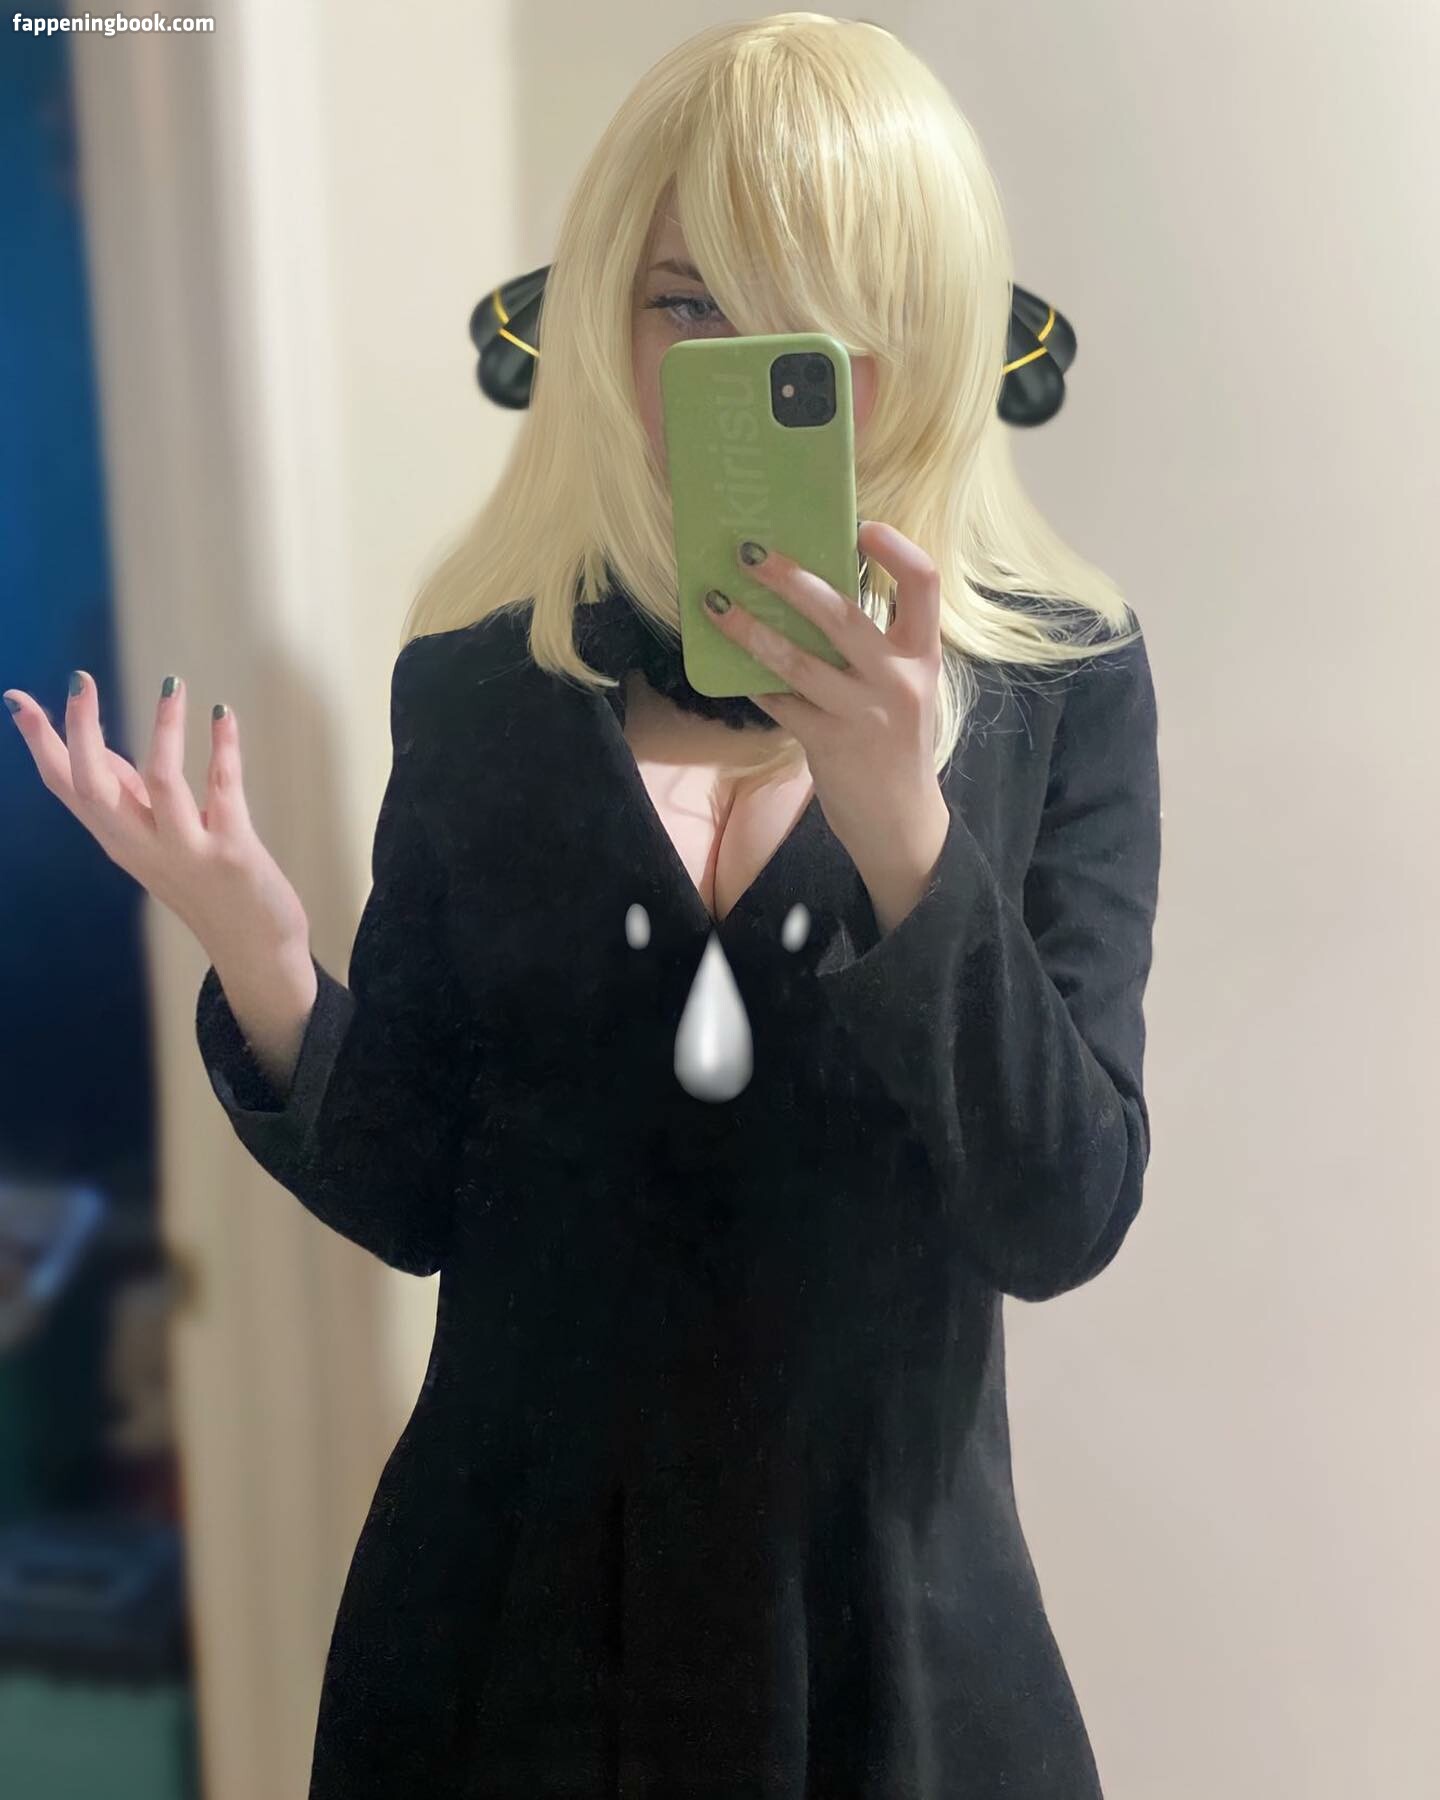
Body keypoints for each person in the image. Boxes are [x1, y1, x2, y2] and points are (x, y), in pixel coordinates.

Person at [4, 14, 1162, 1797]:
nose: (741, 367)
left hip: (885, 1652)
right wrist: (262, 950)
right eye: (688, 302)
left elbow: (1060, 1208)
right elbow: (416, 1190)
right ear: (607, 313)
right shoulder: (484, 695)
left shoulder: (1056, 692)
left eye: (822, 319)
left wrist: (904, 832)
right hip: (506, 1648)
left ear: (929, 334)